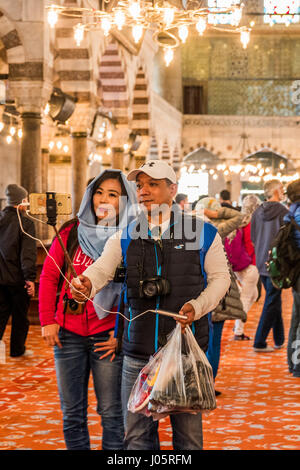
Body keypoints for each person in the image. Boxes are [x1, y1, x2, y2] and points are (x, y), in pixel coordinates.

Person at [71, 160, 231, 450]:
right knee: (136, 437)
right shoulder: (127, 233)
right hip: (138, 352)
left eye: (152, 184)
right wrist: (86, 284)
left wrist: (198, 305)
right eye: (140, 185)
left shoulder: (203, 232)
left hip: (185, 351)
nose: (143, 191)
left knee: (189, 439)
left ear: (173, 189)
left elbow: (221, 279)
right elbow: (102, 270)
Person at [39, 169, 137, 450]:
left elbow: (136, 292)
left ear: (124, 201)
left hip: (107, 336)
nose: (103, 199)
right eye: (99, 192)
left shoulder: (129, 236)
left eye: (113, 194)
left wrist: (123, 334)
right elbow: (48, 276)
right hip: (67, 334)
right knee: (72, 414)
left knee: (111, 413)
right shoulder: (71, 231)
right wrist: (47, 319)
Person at [195, 197, 245, 385]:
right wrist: (218, 214)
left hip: (201, 291)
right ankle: (208, 383)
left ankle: (202, 382)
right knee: (213, 343)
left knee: (203, 343)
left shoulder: (191, 229)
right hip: (219, 294)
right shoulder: (216, 230)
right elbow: (239, 216)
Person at [251, 179, 289, 352]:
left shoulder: (257, 211)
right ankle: (259, 341)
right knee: (272, 300)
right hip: (276, 263)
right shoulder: (283, 212)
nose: (283, 191)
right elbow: (287, 240)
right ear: (276, 190)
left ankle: (279, 338)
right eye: (281, 188)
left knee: (274, 299)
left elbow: (253, 237)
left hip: (261, 261)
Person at [0, 184, 36, 358]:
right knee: (20, 318)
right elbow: (27, 255)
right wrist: (30, 278)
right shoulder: (26, 223)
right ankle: (17, 350)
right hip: (17, 279)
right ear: (22, 201)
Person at [228, 194, 261, 340]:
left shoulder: (240, 221)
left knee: (253, 295)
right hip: (251, 264)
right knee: (246, 298)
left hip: (239, 264)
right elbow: (251, 243)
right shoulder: (253, 222)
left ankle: (238, 325)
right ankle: (238, 331)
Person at [285, 179, 300, 377]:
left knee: (296, 318)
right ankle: (297, 365)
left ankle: (293, 361)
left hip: (295, 270)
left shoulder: (291, 212)